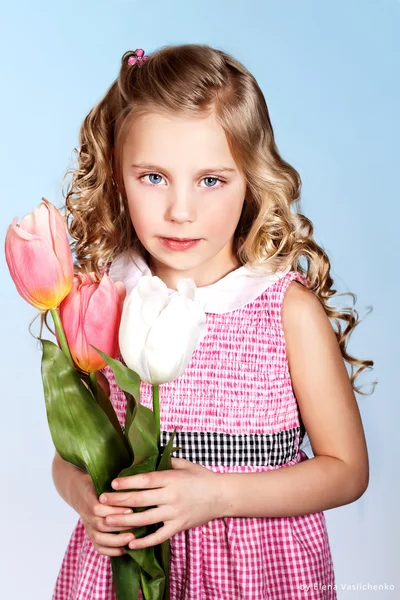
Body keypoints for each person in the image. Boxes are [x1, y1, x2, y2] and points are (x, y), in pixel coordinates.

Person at [51, 43, 375, 600]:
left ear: (251, 179)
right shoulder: (108, 296)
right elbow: (70, 454)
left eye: (210, 180)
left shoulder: (283, 310)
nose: (181, 210)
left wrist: (217, 498)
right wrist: (87, 499)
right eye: (153, 177)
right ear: (118, 176)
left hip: (255, 574)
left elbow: (346, 469)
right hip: (125, 570)